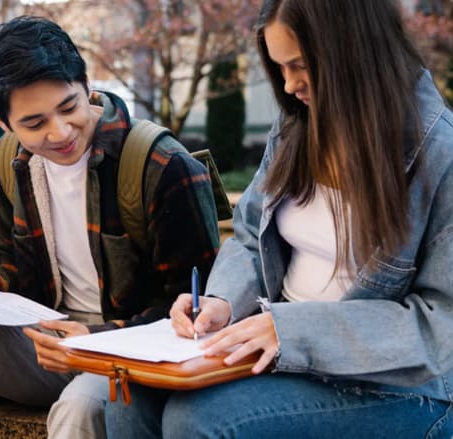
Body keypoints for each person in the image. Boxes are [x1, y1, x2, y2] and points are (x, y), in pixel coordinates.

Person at [105, 0, 453, 437]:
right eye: (279, 68)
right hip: (285, 352)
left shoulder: (441, 154)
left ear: (354, 50)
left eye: (300, 66)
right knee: (128, 397)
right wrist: (224, 302)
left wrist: (292, 330)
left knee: (199, 421)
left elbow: (442, 322)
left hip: (397, 386)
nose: (288, 86)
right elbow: (251, 236)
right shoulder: (297, 127)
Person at [0, 15, 221, 439]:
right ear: (2, 120)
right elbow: (13, 261)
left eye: (69, 107)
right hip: (49, 344)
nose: (60, 132)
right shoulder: (7, 162)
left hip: (128, 353)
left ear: (85, 84)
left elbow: (196, 306)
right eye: (34, 124)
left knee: (79, 408)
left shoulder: (160, 165)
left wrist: (94, 338)